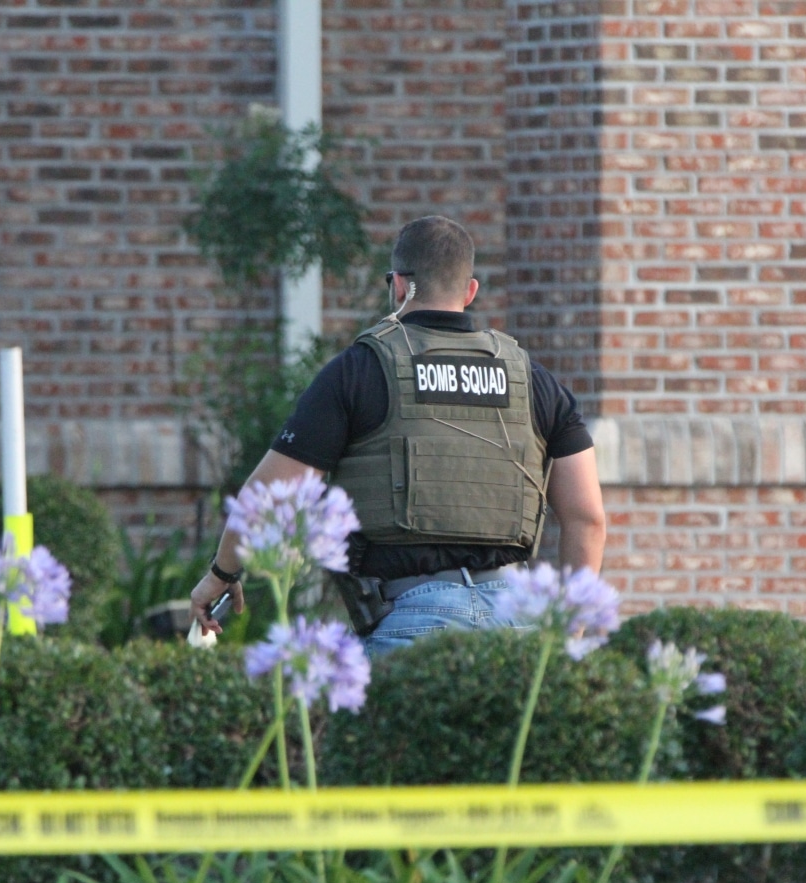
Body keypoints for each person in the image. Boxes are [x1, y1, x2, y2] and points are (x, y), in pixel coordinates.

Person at [191, 215, 607, 655]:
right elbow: (587, 518)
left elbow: (272, 496)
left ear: (398, 285)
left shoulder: (359, 370)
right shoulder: (533, 380)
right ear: (470, 291)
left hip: (411, 625)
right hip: (518, 625)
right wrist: (569, 636)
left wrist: (221, 574)